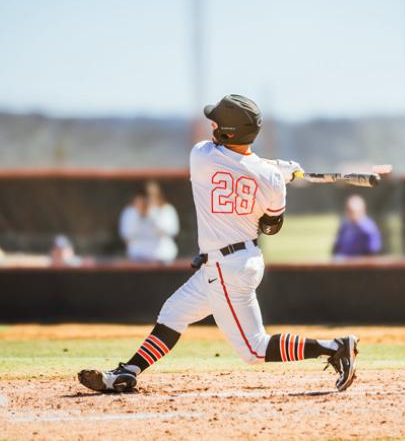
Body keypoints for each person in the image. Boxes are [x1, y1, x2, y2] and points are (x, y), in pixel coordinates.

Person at [78, 94, 359, 394]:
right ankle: (128, 372)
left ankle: (334, 347)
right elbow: (270, 226)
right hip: (238, 260)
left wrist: (272, 169)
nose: (212, 125)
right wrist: (277, 175)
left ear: (228, 131)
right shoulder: (271, 180)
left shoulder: (200, 156)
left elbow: (232, 161)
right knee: (173, 313)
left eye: (217, 123)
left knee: (254, 350)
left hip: (226, 269)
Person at [119, 186, 180, 263]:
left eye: (150, 198)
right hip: (137, 258)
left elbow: (172, 231)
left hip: (163, 257)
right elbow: (126, 235)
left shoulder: (167, 210)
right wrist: (140, 214)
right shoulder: (130, 212)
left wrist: (152, 214)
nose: (147, 202)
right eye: (144, 198)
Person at [119, 189, 159, 262]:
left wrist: (149, 215)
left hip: (158, 256)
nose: (142, 203)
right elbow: (126, 235)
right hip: (136, 256)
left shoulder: (157, 212)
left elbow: (167, 230)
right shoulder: (129, 213)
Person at [145, 180, 180, 263]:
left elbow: (173, 230)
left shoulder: (168, 209)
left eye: (153, 195)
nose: (150, 198)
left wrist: (153, 216)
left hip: (164, 255)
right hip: (143, 257)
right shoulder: (138, 212)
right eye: (148, 195)